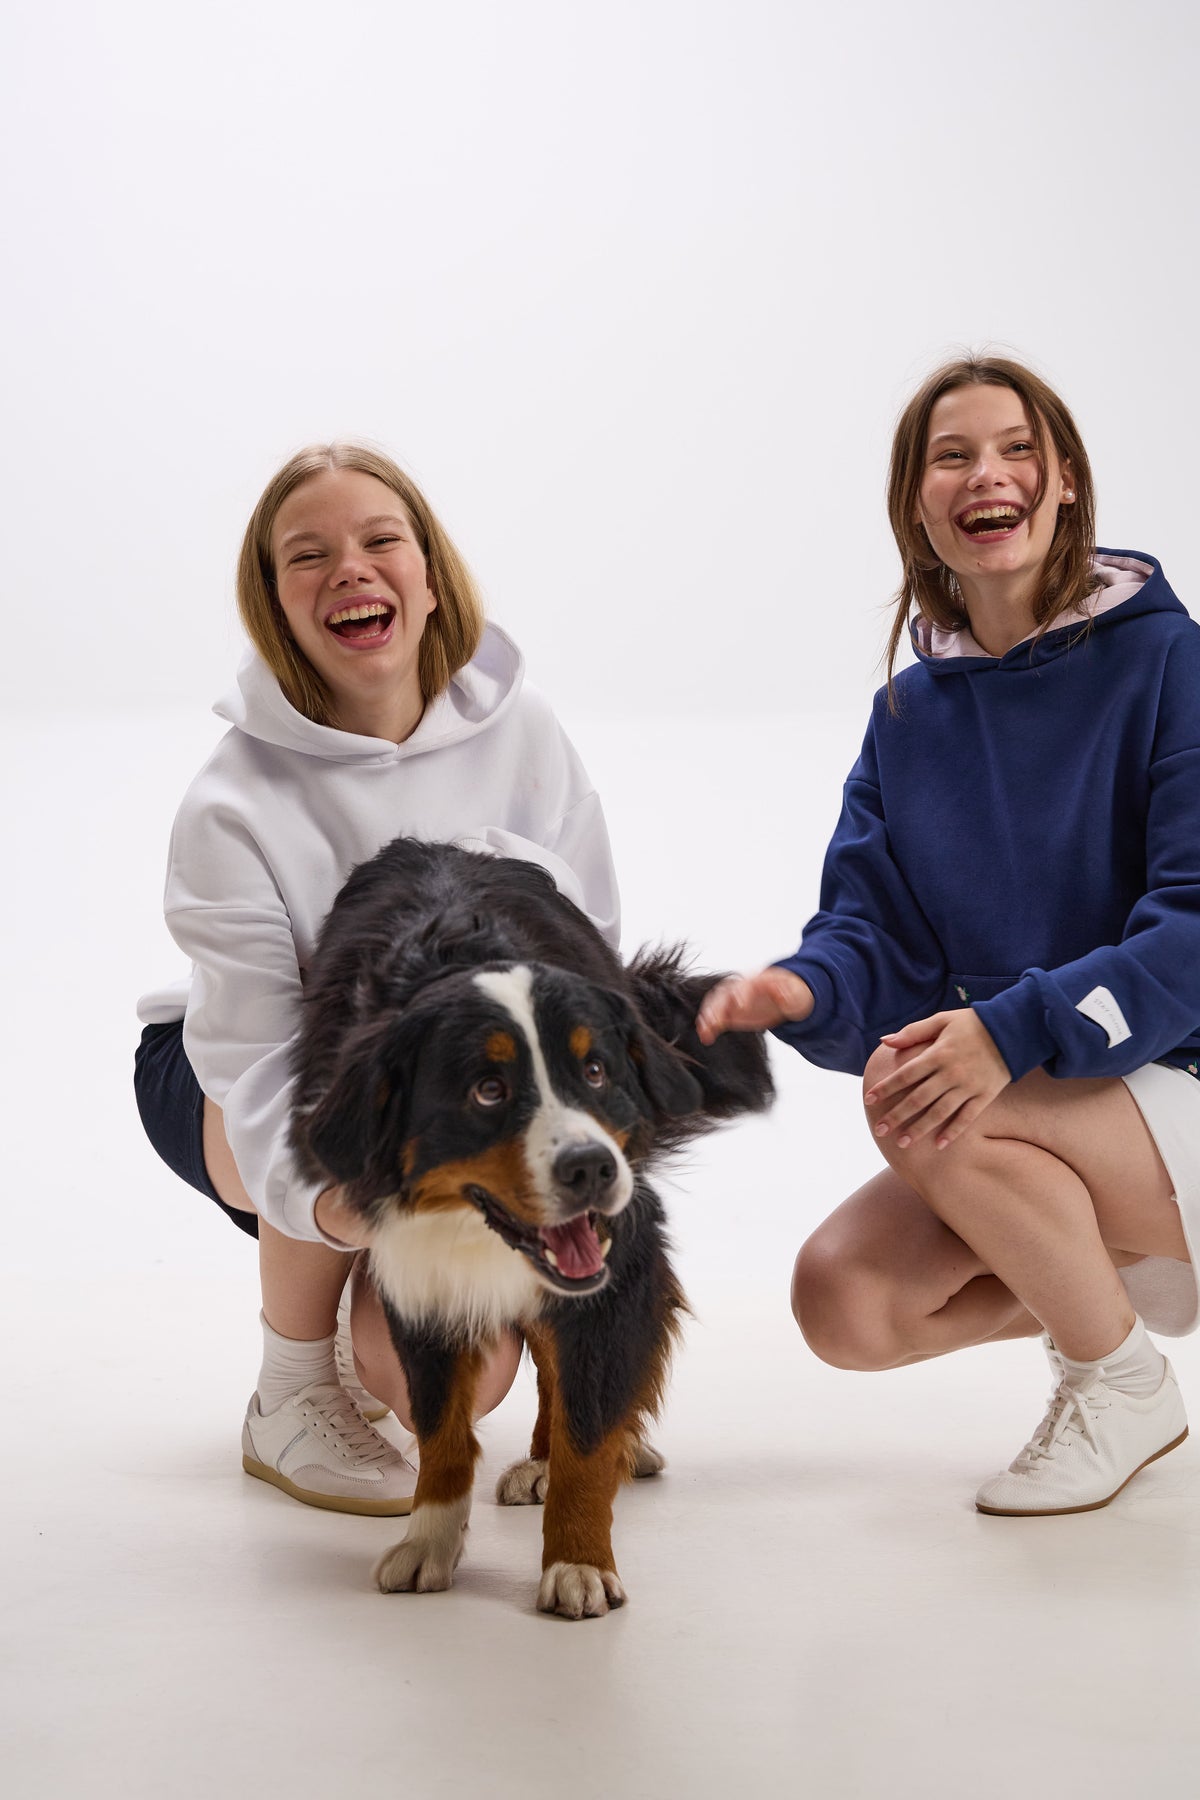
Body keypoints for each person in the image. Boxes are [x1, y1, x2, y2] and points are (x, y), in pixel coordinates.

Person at [698, 354, 1200, 1515]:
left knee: (921, 1087)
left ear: (1066, 481)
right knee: (848, 1302)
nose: (991, 474)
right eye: (954, 456)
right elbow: (872, 929)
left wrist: (1008, 1031)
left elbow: (1192, 935)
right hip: (1057, 1115)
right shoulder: (910, 714)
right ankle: (1097, 1280)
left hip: (1176, 1078)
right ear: (919, 506)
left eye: (1018, 449)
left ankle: (1114, 1382)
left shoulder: (1172, 662)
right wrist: (801, 991)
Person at [135, 443, 620, 1515]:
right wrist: (351, 1212)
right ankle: (292, 1391)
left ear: (430, 574)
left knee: (437, 1376)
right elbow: (257, 1063)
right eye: (306, 557)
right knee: (323, 1085)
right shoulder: (232, 800)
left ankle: (391, 1341)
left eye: (379, 541)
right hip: (233, 1080)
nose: (349, 569)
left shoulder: (525, 733)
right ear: (274, 606)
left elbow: (590, 981)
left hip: (453, 1094)